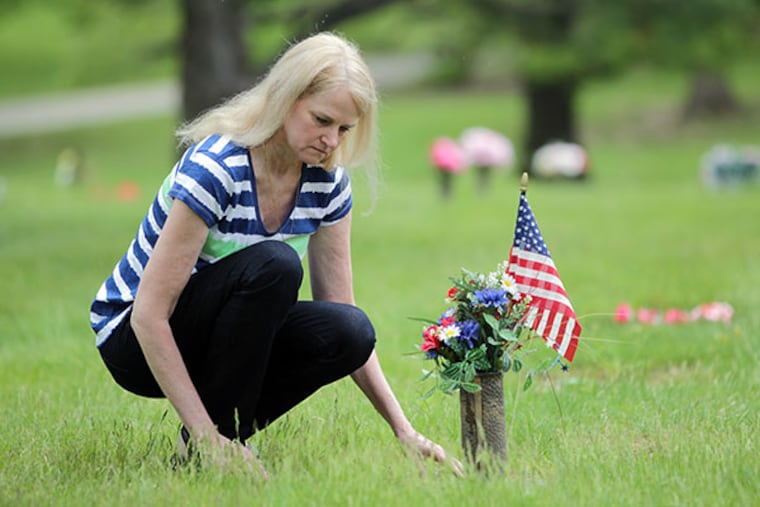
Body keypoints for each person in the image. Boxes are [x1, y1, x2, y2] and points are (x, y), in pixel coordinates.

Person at [90, 32, 462, 476]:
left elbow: (340, 310)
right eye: (322, 120)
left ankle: (202, 455)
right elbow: (148, 314)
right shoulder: (216, 168)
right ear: (286, 100)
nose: (332, 141)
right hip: (136, 336)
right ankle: (211, 442)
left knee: (351, 331)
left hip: (215, 336)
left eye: (344, 129)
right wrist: (212, 436)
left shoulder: (326, 182)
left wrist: (404, 430)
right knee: (276, 266)